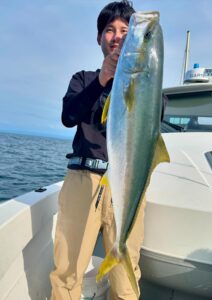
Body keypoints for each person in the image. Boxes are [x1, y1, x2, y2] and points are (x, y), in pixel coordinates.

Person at [49, 1, 149, 300]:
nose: (117, 36)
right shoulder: (83, 80)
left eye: (124, 30)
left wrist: (139, 77)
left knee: (126, 272)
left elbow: (153, 120)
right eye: (109, 30)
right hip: (84, 181)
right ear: (99, 38)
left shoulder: (143, 85)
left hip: (127, 183)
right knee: (67, 270)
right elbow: (69, 116)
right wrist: (103, 79)